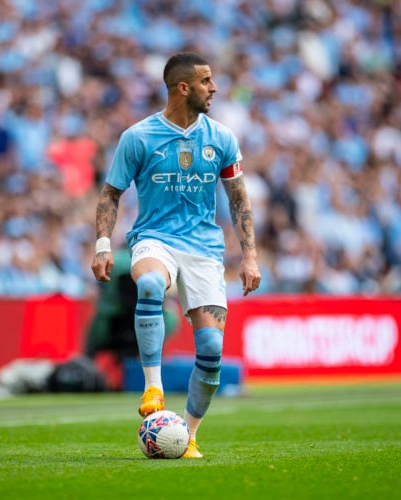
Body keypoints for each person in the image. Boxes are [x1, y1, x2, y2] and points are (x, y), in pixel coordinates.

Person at [90, 52, 261, 458]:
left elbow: (239, 199)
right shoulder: (139, 136)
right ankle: (154, 386)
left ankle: (189, 435)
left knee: (211, 352)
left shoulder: (221, 138)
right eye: (206, 81)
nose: (214, 88)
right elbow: (111, 193)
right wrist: (101, 244)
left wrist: (250, 256)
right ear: (183, 87)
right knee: (149, 283)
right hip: (155, 238)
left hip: (204, 249)